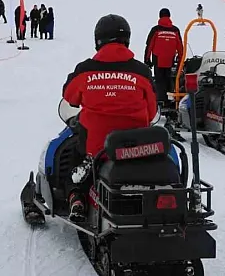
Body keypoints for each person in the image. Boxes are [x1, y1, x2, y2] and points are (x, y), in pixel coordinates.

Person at [62, 14, 158, 221]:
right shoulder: (141, 71)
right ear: (127, 39)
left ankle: (76, 197)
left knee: (76, 160)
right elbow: (151, 112)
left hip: (96, 149)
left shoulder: (85, 70)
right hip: (138, 148)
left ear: (98, 40)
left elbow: (69, 95)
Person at [144, 8, 183, 107]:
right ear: (169, 16)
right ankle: (170, 100)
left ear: (160, 16)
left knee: (159, 80)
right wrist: (181, 61)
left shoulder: (156, 30)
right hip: (170, 59)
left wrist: (147, 60)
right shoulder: (175, 30)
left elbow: (149, 45)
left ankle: (160, 101)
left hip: (158, 59)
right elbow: (180, 48)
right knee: (169, 78)